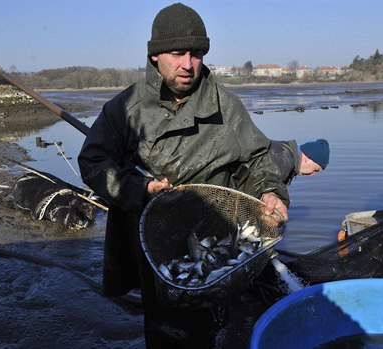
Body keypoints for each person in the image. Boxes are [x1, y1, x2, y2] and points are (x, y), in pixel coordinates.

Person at [77, 3, 289, 348]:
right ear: (155, 56)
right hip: (155, 243)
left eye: (196, 54)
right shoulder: (125, 109)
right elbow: (93, 161)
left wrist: (269, 192)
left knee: (220, 326)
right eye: (178, 53)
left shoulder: (227, 105)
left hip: (216, 233)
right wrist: (140, 187)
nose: (188, 64)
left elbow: (257, 159)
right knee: (165, 329)